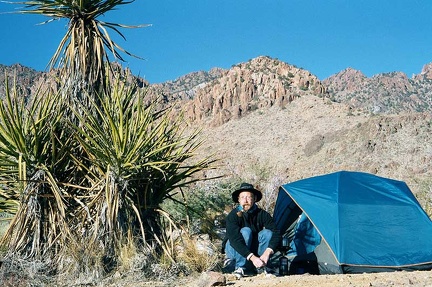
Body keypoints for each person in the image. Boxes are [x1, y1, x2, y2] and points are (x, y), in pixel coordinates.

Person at [222, 182, 281, 278]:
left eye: (249, 197)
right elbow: (234, 240)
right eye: (242, 197)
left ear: (254, 199)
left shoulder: (262, 214)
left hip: (253, 250)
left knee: (267, 233)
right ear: (238, 200)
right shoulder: (233, 215)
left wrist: (267, 252)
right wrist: (253, 258)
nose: (245, 200)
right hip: (234, 249)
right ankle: (240, 267)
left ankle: (262, 266)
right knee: (245, 231)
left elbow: (276, 233)